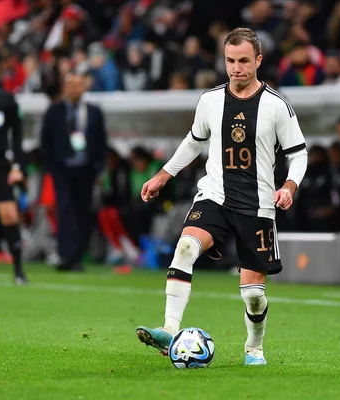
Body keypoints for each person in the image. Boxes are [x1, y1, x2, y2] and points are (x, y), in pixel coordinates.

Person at [135, 28, 308, 366]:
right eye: (230, 60)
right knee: (185, 248)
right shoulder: (210, 100)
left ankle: (254, 347)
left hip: (257, 205)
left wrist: (289, 185)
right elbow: (194, 141)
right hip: (214, 195)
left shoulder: (276, 106)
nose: (236, 68)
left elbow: (298, 153)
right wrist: (162, 175)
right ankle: (169, 329)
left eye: (244, 61)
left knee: (255, 296)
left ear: (258, 60)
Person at [40, 71, 108, 272]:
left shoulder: (93, 111)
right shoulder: (54, 111)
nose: (74, 89)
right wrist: (50, 167)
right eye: (71, 85)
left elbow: (101, 141)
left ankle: (77, 256)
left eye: (78, 84)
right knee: (64, 210)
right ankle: (65, 255)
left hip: (85, 169)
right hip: (63, 169)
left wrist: (98, 167)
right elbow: (46, 141)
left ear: (84, 87)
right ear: (64, 88)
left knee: (82, 212)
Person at [0, 56, 28, 284]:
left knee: (9, 215)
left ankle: (18, 270)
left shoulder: (5, 99)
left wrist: (18, 166)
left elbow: (17, 136)